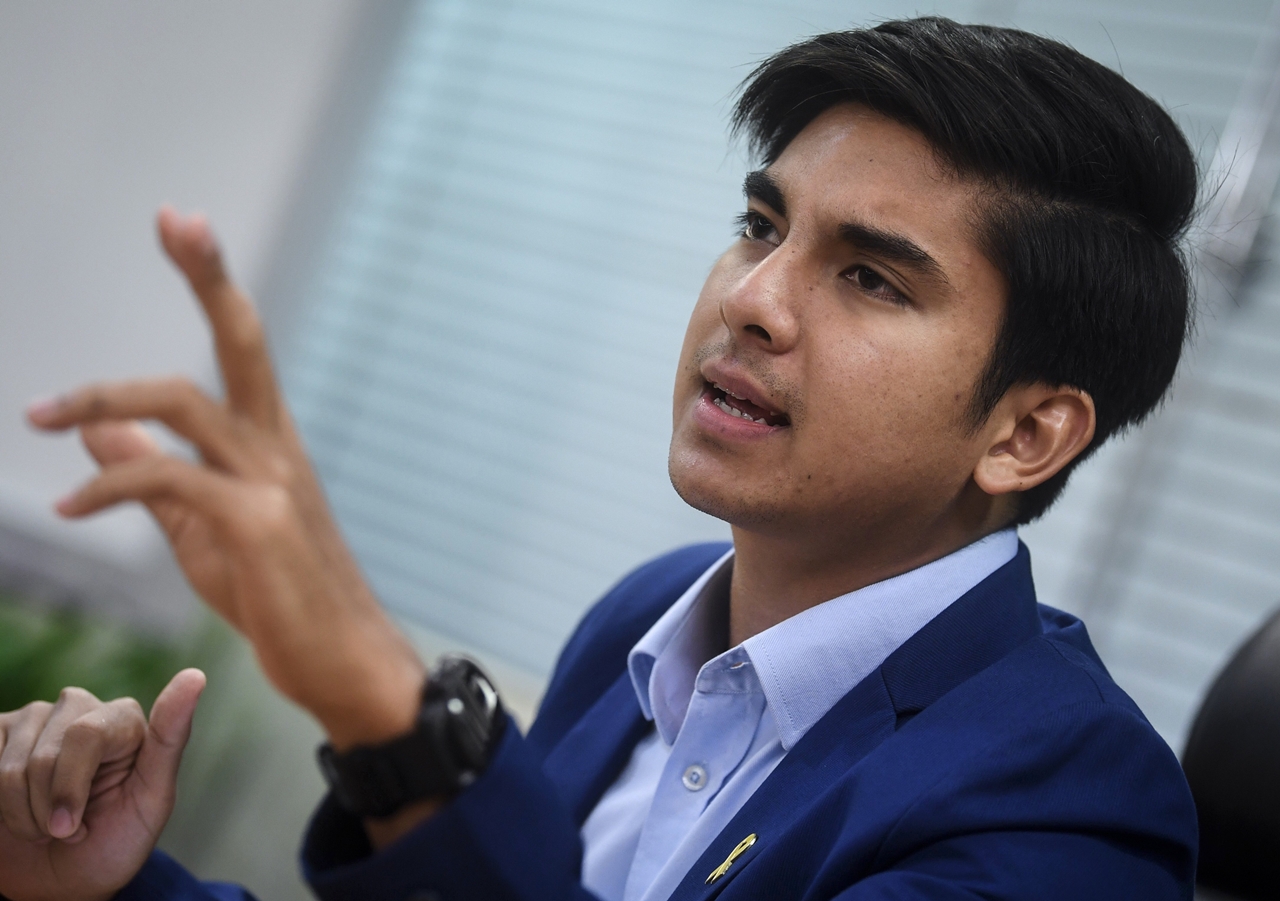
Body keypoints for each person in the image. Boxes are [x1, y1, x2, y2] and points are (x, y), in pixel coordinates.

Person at [0, 16, 1199, 901]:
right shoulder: (650, 617)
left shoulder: (1070, 810)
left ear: (1024, 433)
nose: (751, 299)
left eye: (869, 278)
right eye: (759, 226)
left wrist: (391, 712)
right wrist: (107, 886)